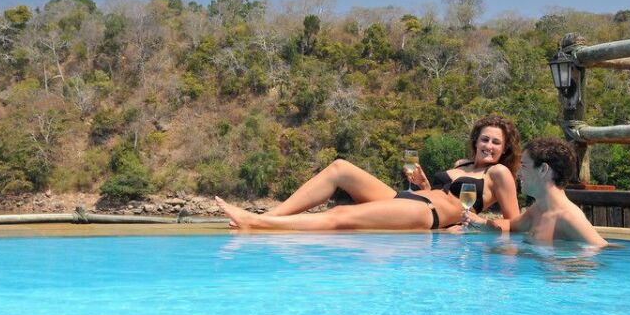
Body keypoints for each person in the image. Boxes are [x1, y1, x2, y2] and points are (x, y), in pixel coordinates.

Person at [216, 115, 521, 232]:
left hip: (427, 214)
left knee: (341, 215)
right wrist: (422, 183)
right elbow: (434, 192)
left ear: (505, 148)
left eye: (496, 142)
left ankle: (257, 222)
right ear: (475, 141)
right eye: (485, 139)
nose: (489, 146)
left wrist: (478, 223)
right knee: (340, 168)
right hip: (414, 200)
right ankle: (269, 215)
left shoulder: (499, 173)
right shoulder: (461, 164)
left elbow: (516, 224)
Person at [464, 137, 608, 247]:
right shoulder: (538, 210)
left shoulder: (568, 217)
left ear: (543, 169)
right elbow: (510, 226)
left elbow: (603, 253)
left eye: (524, 166)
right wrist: (480, 222)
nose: (518, 173)